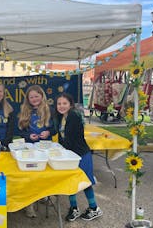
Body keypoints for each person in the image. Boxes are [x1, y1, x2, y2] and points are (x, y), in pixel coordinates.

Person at [54, 92, 103, 222]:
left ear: (70, 104)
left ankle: (94, 208)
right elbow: (62, 136)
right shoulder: (62, 117)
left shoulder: (73, 116)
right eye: (59, 103)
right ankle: (74, 208)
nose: (61, 106)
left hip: (81, 154)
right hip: (70, 155)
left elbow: (69, 139)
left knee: (85, 182)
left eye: (64, 103)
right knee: (71, 181)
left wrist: (59, 150)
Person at [17, 85, 55, 218]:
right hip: (30, 148)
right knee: (31, 175)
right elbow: (20, 131)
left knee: (44, 174)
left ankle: (42, 195)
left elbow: (54, 128)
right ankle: (29, 204)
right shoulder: (24, 110)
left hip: (45, 147)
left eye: (36, 96)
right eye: (31, 97)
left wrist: (49, 131)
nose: (34, 99)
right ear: (28, 98)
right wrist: (28, 137)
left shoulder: (49, 109)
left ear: (42, 96)